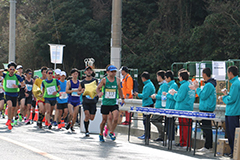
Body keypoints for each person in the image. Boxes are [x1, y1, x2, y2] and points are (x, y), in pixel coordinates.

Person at [189, 68, 216, 152]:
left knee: (206, 127)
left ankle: (208, 146)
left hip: (206, 109)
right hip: (206, 108)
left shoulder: (208, 85)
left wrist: (197, 88)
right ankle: (207, 145)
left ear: (204, 74)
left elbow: (203, 96)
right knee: (206, 127)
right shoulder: (209, 84)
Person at [96, 64, 125, 142]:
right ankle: (101, 133)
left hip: (114, 102)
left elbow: (120, 89)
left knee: (116, 118)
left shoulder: (118, 80)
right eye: (112, 72)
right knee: (104, 120)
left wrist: (122, 98)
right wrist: (99, 93)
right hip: (105, 102)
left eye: (115, 72)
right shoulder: (104, 80)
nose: (113, 73)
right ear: (108, 72)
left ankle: (111, 132)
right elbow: (98, 88)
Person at [169, 69, 195, 148]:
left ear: (181, 77)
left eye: (179, 76)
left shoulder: (183, 85)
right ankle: (186, 143)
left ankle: (184, 143)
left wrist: (174, 94)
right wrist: (177, 93)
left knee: (184, 127)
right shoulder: (190, 84)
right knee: (187, 127)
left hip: (183, 108)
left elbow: (180, 98)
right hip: (189, 107)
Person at [220, 66, 240, 158]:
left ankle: (234, 152)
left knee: (232, 134)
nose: (227, 75)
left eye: (227, 73)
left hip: (233, 112)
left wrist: (223, 97)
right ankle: (233, 151)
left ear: (230, 73)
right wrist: (227, 94)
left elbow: (232, 99)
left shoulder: (235, 84)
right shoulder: (236, 82)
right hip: (233, 111)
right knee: (231, 133)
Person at [0, 61, 24, 130]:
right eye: (10, 69)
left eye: (13, 69)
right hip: (7, 93)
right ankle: (9, 120)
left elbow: (23, 84)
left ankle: (10, 120)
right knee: (9, 106)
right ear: (8, 69)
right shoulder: (5, 75)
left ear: (15, 70)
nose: (12, 71)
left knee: (13, 109)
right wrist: (5, 70)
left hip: (15, 94)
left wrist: (17, 86)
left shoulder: (17, 76)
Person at [134, 72, 155, 140]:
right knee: (146, 121)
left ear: (143, 78)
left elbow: (145, 95)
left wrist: (138, 95)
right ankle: (146, 135)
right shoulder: (149, 84)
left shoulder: (148, 85)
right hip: (148, 103)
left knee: (146, 121)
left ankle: (147, 135)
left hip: (147, 104)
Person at [150, 70, 168, 142]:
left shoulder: (164, 85)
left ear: (160, 77)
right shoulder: (162, 85)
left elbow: (163, 96)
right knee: (158, 120)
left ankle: (165, 130)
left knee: (153, 119)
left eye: (157, 76)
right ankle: (161, 136)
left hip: (161, 106)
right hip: (159, 105)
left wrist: (156, 96)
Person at [81, 66, 99, 137]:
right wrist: (80, 91)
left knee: (91, 118)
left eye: (90, 71)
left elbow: (98, 88)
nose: (89, 72)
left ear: (92, 72)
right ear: (85, 72)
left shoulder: (95, 81)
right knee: (87, 115)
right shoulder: (82, 82)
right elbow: (79, 91)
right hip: (86, 101)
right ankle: (86, 131)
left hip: (93, 101)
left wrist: (98, 93)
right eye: (87, 71)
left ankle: (86, 123)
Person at [163, 70, 178, 144]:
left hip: (171, 107)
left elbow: (173, 96)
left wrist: (166, 94)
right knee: (167, 124)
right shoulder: (170, 85)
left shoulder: (174, 85)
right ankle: (169, 138)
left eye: (165, 78)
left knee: (170, 125)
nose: (165, 80)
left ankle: (171, 139)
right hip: (168, 106)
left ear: (169, 78)